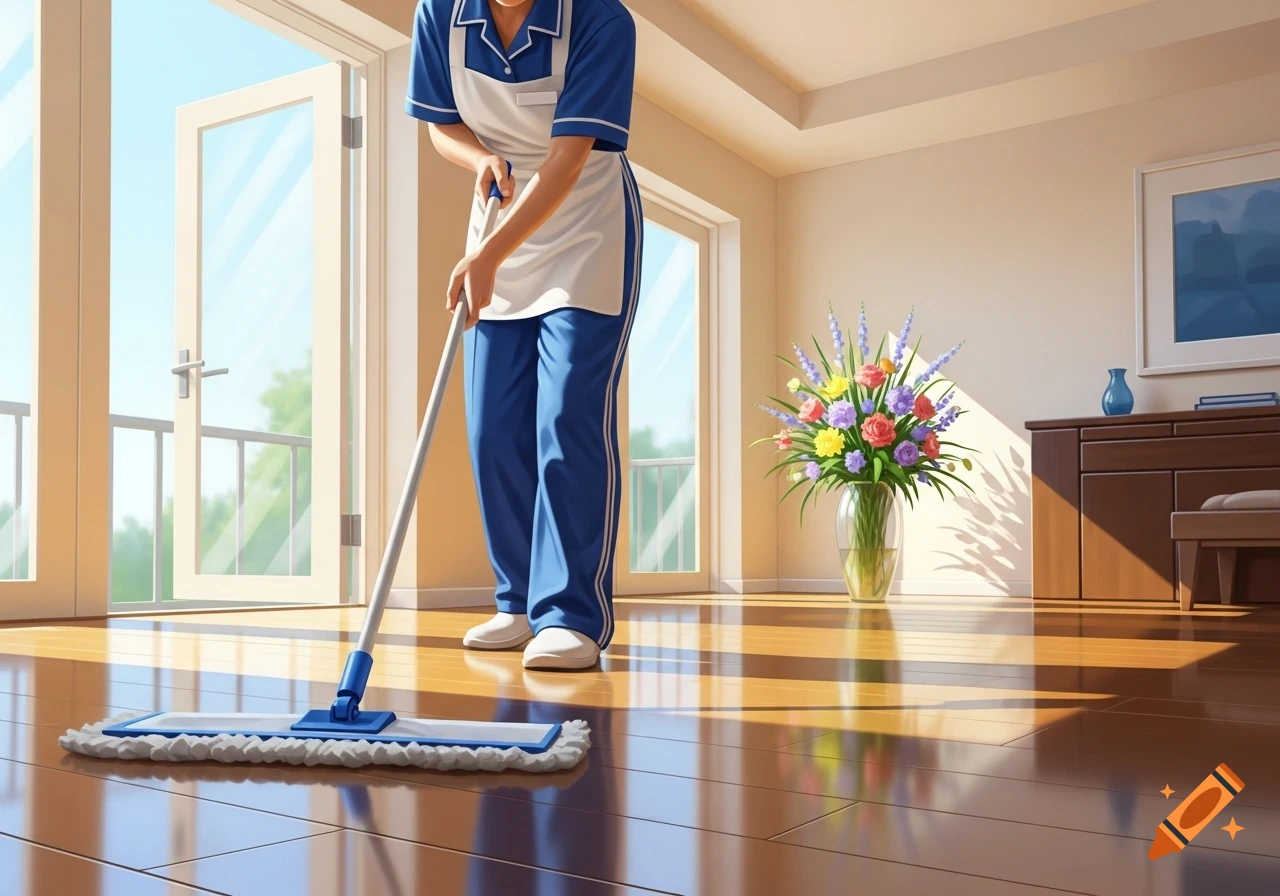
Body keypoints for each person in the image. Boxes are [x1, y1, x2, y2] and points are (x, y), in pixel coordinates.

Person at [406, 0, 641, 670]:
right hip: (502, 223)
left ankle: (570, 615)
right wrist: (478, 157)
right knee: (494, 428)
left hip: (587, 232)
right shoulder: (440, 15)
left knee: (567, 417)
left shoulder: (602, 20)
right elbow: (439, 124)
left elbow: (567, 162)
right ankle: (518, 601)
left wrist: (489, 256)